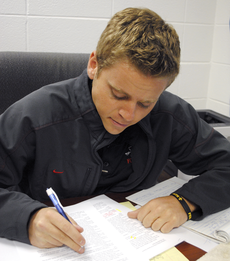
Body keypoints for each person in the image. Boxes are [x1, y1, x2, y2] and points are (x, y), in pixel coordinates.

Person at [0, 7, 230, 255]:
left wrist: (185, 202)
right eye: (119, 95)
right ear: (94, 65)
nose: (129, 115)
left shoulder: (169, 113)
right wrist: (27, 218)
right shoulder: (34, 115)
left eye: (145, 103)